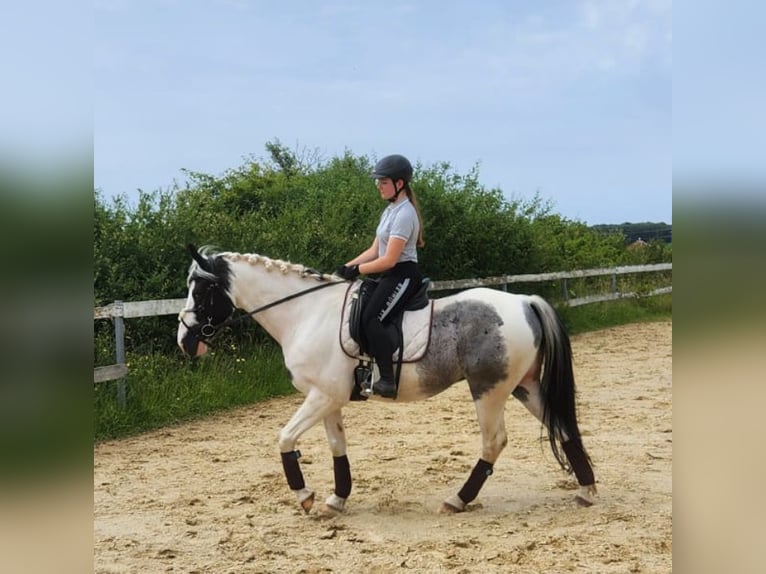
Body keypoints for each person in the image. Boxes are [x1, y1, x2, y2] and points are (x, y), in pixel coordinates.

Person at [336, 154, 425, 398]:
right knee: (358, 308)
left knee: (372, 318)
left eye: (383, 182)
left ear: (400, 184)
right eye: (378, 182)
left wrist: (357, 271)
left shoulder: (405, 214)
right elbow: (375, 250)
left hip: (403, 275)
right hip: (388, 275)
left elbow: (389, 259)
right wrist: (346, 266)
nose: (378, 186)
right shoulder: (390, 210)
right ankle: (361, 373)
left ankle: (386, 379)